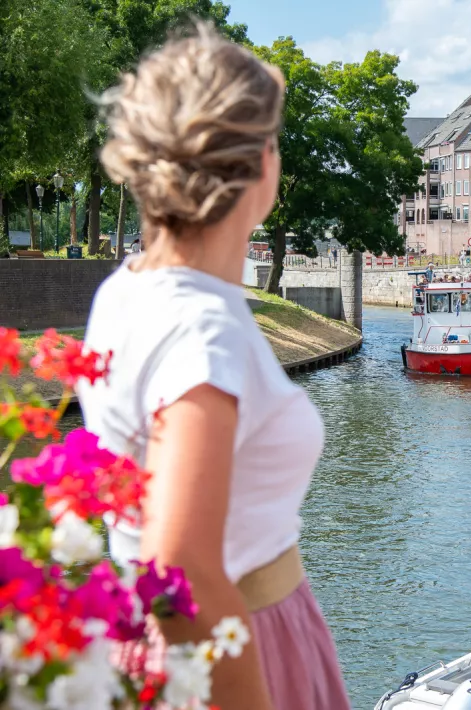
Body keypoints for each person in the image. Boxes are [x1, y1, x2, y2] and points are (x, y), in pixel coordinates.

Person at [78, 24, 349, 710]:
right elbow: (184, 574)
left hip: (166, 641)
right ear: (262, 163)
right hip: (239, 651)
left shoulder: (126, 290)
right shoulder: (206, 335)